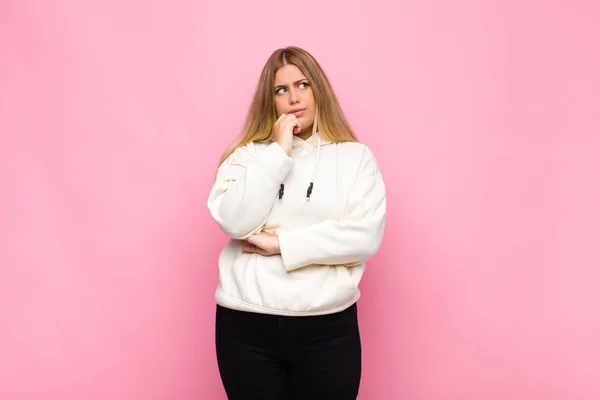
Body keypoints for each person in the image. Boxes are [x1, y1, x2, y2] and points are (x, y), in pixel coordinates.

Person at [207, 46, 387, 400]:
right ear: (270, 100)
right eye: (281, 90)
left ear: (318, 89)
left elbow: (364, 236)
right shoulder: (247, 156)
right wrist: (278, 152)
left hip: (327, 327)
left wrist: (282, 245)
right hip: (246, 324)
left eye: (302, 84)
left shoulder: (356, 157)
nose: (293, 98)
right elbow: (233, 221)